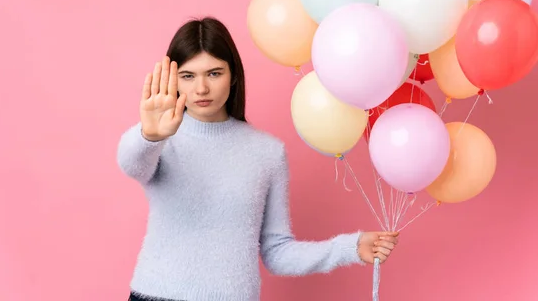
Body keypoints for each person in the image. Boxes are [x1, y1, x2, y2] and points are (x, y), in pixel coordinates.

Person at [117, 17, 399, 301]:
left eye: (214, 73)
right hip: (155, 294)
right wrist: (149, 135)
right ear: (173, 79)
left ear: (234, 75)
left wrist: (349, 248)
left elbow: (277, 251)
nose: (201, 88)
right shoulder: (159, 140)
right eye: (188, 76)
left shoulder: (267, 152)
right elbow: (131, 164)